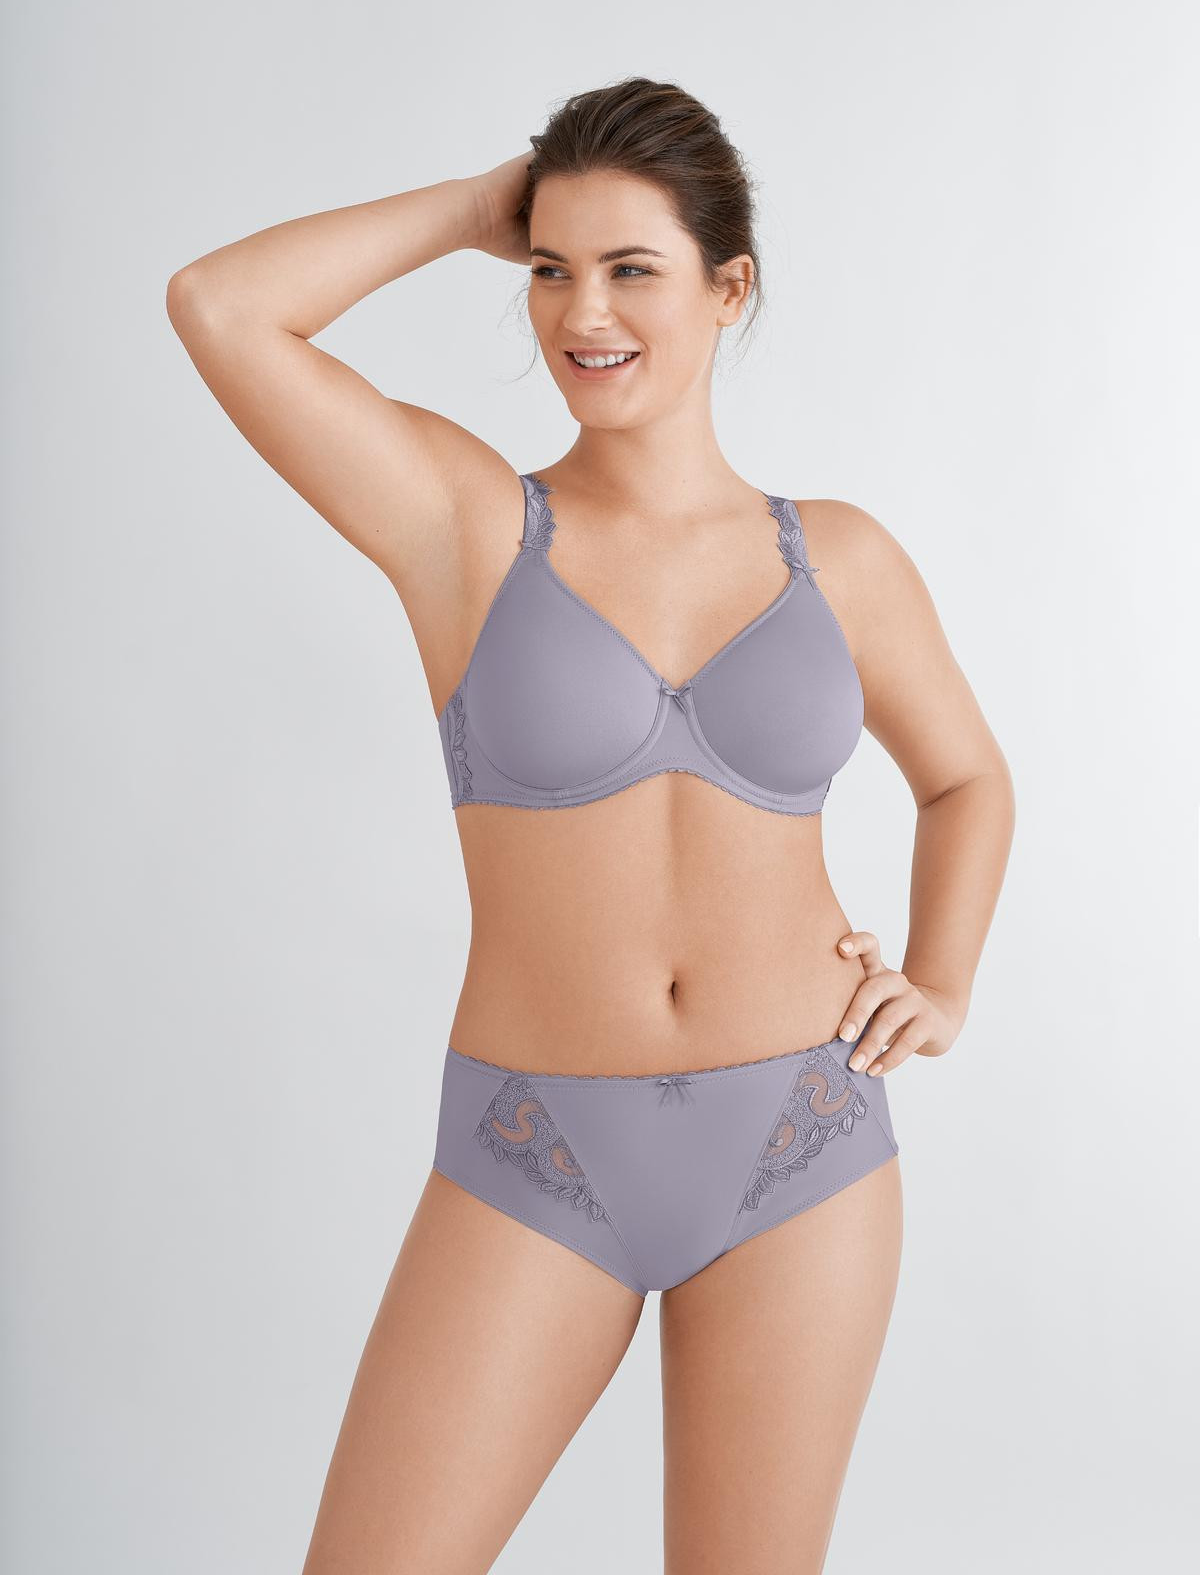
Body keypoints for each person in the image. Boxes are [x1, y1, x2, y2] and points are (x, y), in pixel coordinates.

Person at [167, 76, 1014, 1575]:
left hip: (804, 1143)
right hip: (535, 1150)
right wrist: (472, 208)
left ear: (728, 287)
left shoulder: (843, 559)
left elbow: (967, 781)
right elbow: (220, 308)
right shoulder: (468, 525)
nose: (583, 313)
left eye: (632, 268)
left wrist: (941, 982)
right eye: (552, 269)